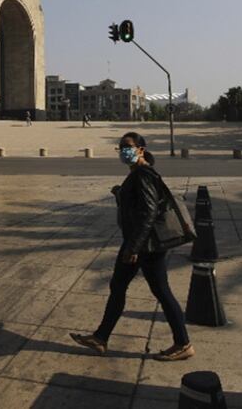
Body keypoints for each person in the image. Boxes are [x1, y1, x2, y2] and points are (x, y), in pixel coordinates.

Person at [70, 132, 194, 361]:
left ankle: (183, 343)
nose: (123, 151)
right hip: (138, 243)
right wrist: (121, 193)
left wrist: (133, 248)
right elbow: (141, 204)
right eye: (121, 147)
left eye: (127, 146)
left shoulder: (143, 174)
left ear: (141, 149)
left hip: (144, 247)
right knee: (118, 286)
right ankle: (100, 337)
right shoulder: (137, 174)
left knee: (161, 292)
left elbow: (148, 213)